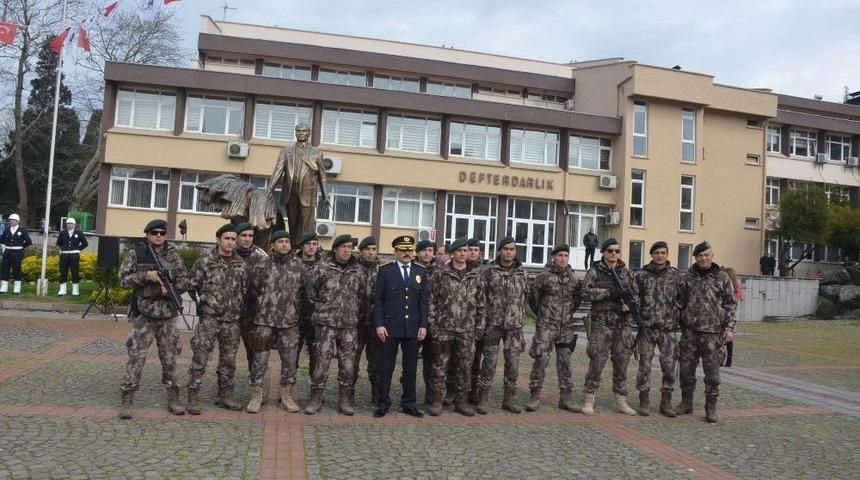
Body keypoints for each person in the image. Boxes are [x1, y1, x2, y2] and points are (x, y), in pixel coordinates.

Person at [118, 219, 191, 419]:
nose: (158, 236)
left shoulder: (173, 256)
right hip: (144, 315)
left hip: (168, 315)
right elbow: (123, 280)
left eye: (162, 233)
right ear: (147, 234)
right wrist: (146, 276)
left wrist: (171, 289)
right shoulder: (137, 254)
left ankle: (173, 398)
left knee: (170, 358)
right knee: (136, 357)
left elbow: (185, 280)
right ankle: (127, 398)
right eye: (154, 233)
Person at [186, 223, 247, 414]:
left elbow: (243, 289)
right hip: (210, 319)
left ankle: (225, 395)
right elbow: (192, 284)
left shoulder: (240, 264)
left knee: (229, 360)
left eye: (232, 239)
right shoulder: (206, 260)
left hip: (232, 321)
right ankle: (193, 395)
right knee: (201, 357)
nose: (230, 242)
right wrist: (204, 304)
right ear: (218, 239)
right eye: (226, 238)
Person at [305, 234, 366, 415]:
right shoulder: (322, 269)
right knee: (321, 363)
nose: (347, 250)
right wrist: (323, 311)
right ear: (335, 249)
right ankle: (316, 398)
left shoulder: (358, 271)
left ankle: (344, 400)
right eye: (343, 247)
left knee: (348, 365)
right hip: (325, 325)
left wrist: (352, 312)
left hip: (348, 326)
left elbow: (362, 296)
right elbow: (311, 294)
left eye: (350, 247)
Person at [245, 230, 304, 413]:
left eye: (287, 241)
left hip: (289, 323)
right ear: (272, 245)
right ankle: (256, 395)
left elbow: (303, 292)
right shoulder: (261, 265)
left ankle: (286, 396)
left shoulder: (297, 265)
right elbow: (252, 291)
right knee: (260, 360)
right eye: (280, 242)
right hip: (264, 322)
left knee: (290, 361)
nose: (285, 245)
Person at [678, 241, 737, 423]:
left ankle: (710, 408)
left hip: (713, 333)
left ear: (712, 256)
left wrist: (729, 328)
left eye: (707, 255)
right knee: (686, 371)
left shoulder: (722, 277)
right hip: (690, 332)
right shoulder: (687, 277)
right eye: (700, 256)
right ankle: (686, 403)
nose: (703, 258)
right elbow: (680, 301)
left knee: (712, 374)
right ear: (695, 257)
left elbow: (731, 304)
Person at [426, 238, 486, 417]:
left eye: (465, 251)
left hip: (467, 330)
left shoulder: (476, 275)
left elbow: (481, 303)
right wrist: (433, 326)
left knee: (465, 368)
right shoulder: (440, 273)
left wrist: (479, 327)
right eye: (459, 251)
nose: (462, 254)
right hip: (444, 329)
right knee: (440, 367)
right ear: (452, 253)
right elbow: (431, 300)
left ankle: (461, 402)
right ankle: (437, 402)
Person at [580, 238, 640, 416]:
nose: (614, 254)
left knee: (622, 363)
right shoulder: (594, 272)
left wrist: (629, 304)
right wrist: (608, 293)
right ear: (604, 252)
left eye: (617, 251)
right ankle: (589, 397)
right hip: (602, 324)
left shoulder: (627, 273)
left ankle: (621, 399)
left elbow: (636, 295)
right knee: (597, 362)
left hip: (623, 325)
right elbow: (585, 293)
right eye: (610, 251)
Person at [373, 235, 429, 418]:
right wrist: (379, 324)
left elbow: (423, 302)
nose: (406, 253)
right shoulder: (385, 271)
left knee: (411, 367)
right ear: (395, 252)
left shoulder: (420, 271)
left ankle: (409, 403)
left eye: (409, 250)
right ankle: (383, 403)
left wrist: (423, 325)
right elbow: (378, 301)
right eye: (402, 250)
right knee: (386, 366)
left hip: (412, 327)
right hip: (389, 327)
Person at [526, 244, 582, 412]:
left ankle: (565, 398)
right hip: (546, 326)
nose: (563, 258)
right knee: (541, 360)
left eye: (565, 255)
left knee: (565, 362)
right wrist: (543, 315)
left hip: (565, 327)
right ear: (553, 257)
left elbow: (576, 301)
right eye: (560, 255)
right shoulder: (544, 277)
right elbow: (533, 299)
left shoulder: (574, 279)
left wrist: (566, 315)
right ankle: (534, 396)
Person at [476, 236, 528, 414]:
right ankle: (483, 397)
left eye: (512, 249)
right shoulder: (489, 271)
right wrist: (482, 321)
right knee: (489, 362)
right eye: (505, 249)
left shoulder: (522, 272)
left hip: (514, 326)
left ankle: (509, 399)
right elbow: (481, 297)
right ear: (500, 251)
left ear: (515, 251)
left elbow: (527, 298)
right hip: (493, 324)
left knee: (513, 363)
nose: (509, 252)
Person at [633, 241, 684, 417]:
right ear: (651, 255)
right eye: (656, 253)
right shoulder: (641, 275)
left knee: (669, 366)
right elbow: (634, 298)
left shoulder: (676, 276)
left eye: (663, 252)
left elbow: (683, 298)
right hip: (647, 329)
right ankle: (644, 399)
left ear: (668, 254)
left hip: (668, 329)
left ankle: (666, 401)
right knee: (644, 366)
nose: (660, 255)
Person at [267, 123, 331, 246]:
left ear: (309, 133)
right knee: (293, 224)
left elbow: (322, 175)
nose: (301, 133)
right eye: (298, 131)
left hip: (308, 193)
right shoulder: (286, 151)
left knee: (306, 226)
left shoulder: (316, 153)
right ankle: (294, 249)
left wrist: (326, 195)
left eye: (304, 131)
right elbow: (278, 170)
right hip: (291, 192)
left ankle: (303, 249)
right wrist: (269, 189)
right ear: (295, 133)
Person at [234, 222, 269, 377]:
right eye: (244, 236)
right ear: (236, 237)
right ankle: (225, 389)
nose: (247, 239)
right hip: (230, 313)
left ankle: (255, 385)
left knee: (254, 352)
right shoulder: (228, 252)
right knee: (228, 353)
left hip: (253, 313)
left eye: (250, 236)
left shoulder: (261, 257)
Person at [353, 236, 382, 406]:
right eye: (367, 249)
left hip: (375, 324)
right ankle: (348, 395)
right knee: (352, 362)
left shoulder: (383, 270)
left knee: (376, 362)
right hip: (356, 324)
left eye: (373, 249)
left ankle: (377, 394)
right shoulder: (353, 269)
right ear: (361, 251)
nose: (371, 253)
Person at [294, 232, 321, 376]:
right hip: (294, 318)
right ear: (302, 246)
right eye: (308, 244)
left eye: (314, 244)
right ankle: (288, 390)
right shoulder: (292, 264)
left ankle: (314, 389)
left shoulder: (324, 266)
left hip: (316, 318)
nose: (311, 247)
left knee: (316, 355)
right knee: (291, 356)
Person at [56, 217, 89, 296]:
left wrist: (78, 249)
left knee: (75, 272)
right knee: (63, 272)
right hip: (64, 255)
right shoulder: (62, 233)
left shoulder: (79, 233)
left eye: (71, 224)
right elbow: (59, 243)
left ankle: (75, 290)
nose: (69, 225)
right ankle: (62, 290)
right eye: (68, 224)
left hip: (74, 255)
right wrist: (64, 248)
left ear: (74, 225)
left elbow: (85, 243)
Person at [0, 213, 32, 294]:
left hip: (17, 252)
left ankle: (17, 289)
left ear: (17, 221)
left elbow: (28, 242)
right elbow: (2, 240)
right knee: (4, 269)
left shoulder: (22, 230)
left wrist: (20, 246)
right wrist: (4, 249)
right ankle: (3, 288)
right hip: (7, 252)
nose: (12, 221)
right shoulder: (7, 229)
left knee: (16, 270)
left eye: (14, 220)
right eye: (11, 220)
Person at [722, 266, 743, 368]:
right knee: (727, 337)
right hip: (732, 315)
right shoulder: (735, 286)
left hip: (732, 315)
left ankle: (726, 358)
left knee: (726, 337)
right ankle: (727, 358)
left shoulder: (735, 286)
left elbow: (737, 302)